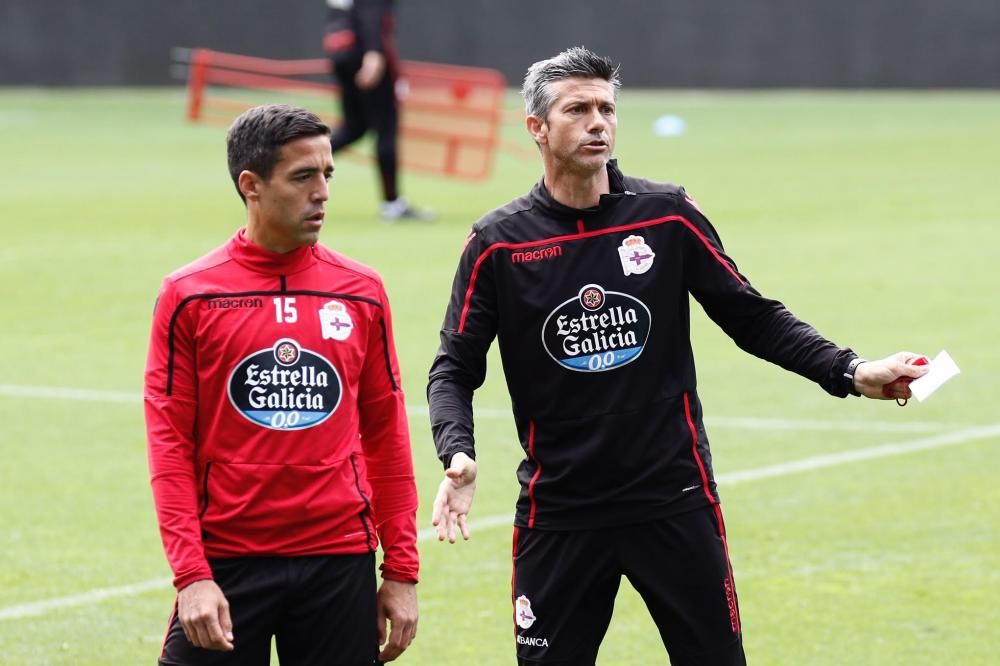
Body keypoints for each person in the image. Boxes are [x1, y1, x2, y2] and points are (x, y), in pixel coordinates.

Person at [427, 47, 929, 665]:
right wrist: (458, 450)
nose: (598, 123)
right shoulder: (498, 243)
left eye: (607, 108)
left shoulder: (664, 214)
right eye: (577, 109)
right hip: (560, 510)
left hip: (674, 498)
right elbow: (454, 366)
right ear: (536, 127)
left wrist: (849, 370)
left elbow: (751, 316)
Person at [144, 104, 419, 665]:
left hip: (339, 560)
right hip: (228, 563)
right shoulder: (189, 295)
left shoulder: (361, 290)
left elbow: (387, 433)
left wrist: (402, 570)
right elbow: (169, 445)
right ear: (251, 185)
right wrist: (191, 575)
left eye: (328, 174)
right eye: (303, 177)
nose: (322, 192)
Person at [323, 0, 432, 222]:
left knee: (354, 127)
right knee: (386, 126)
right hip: (366, 54)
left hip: (342, 53)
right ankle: (392, 204)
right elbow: (373, 13)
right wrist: (374, 54)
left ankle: (297, 161)